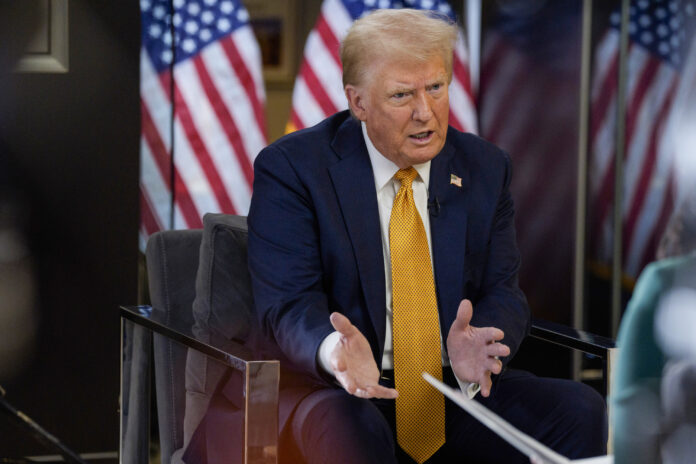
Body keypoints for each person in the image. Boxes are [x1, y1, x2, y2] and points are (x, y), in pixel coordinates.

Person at [187, 9, 607, 464]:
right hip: (328, 389)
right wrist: (334, 353)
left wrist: (481, 340)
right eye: (402, 94)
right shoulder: (294, 169)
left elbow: (502, 289)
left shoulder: (484, 168)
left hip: (445, 391)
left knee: (579, 409)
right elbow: (287, 305)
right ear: (359, 102)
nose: (424, 112)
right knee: (352, 428)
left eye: (436, 88)